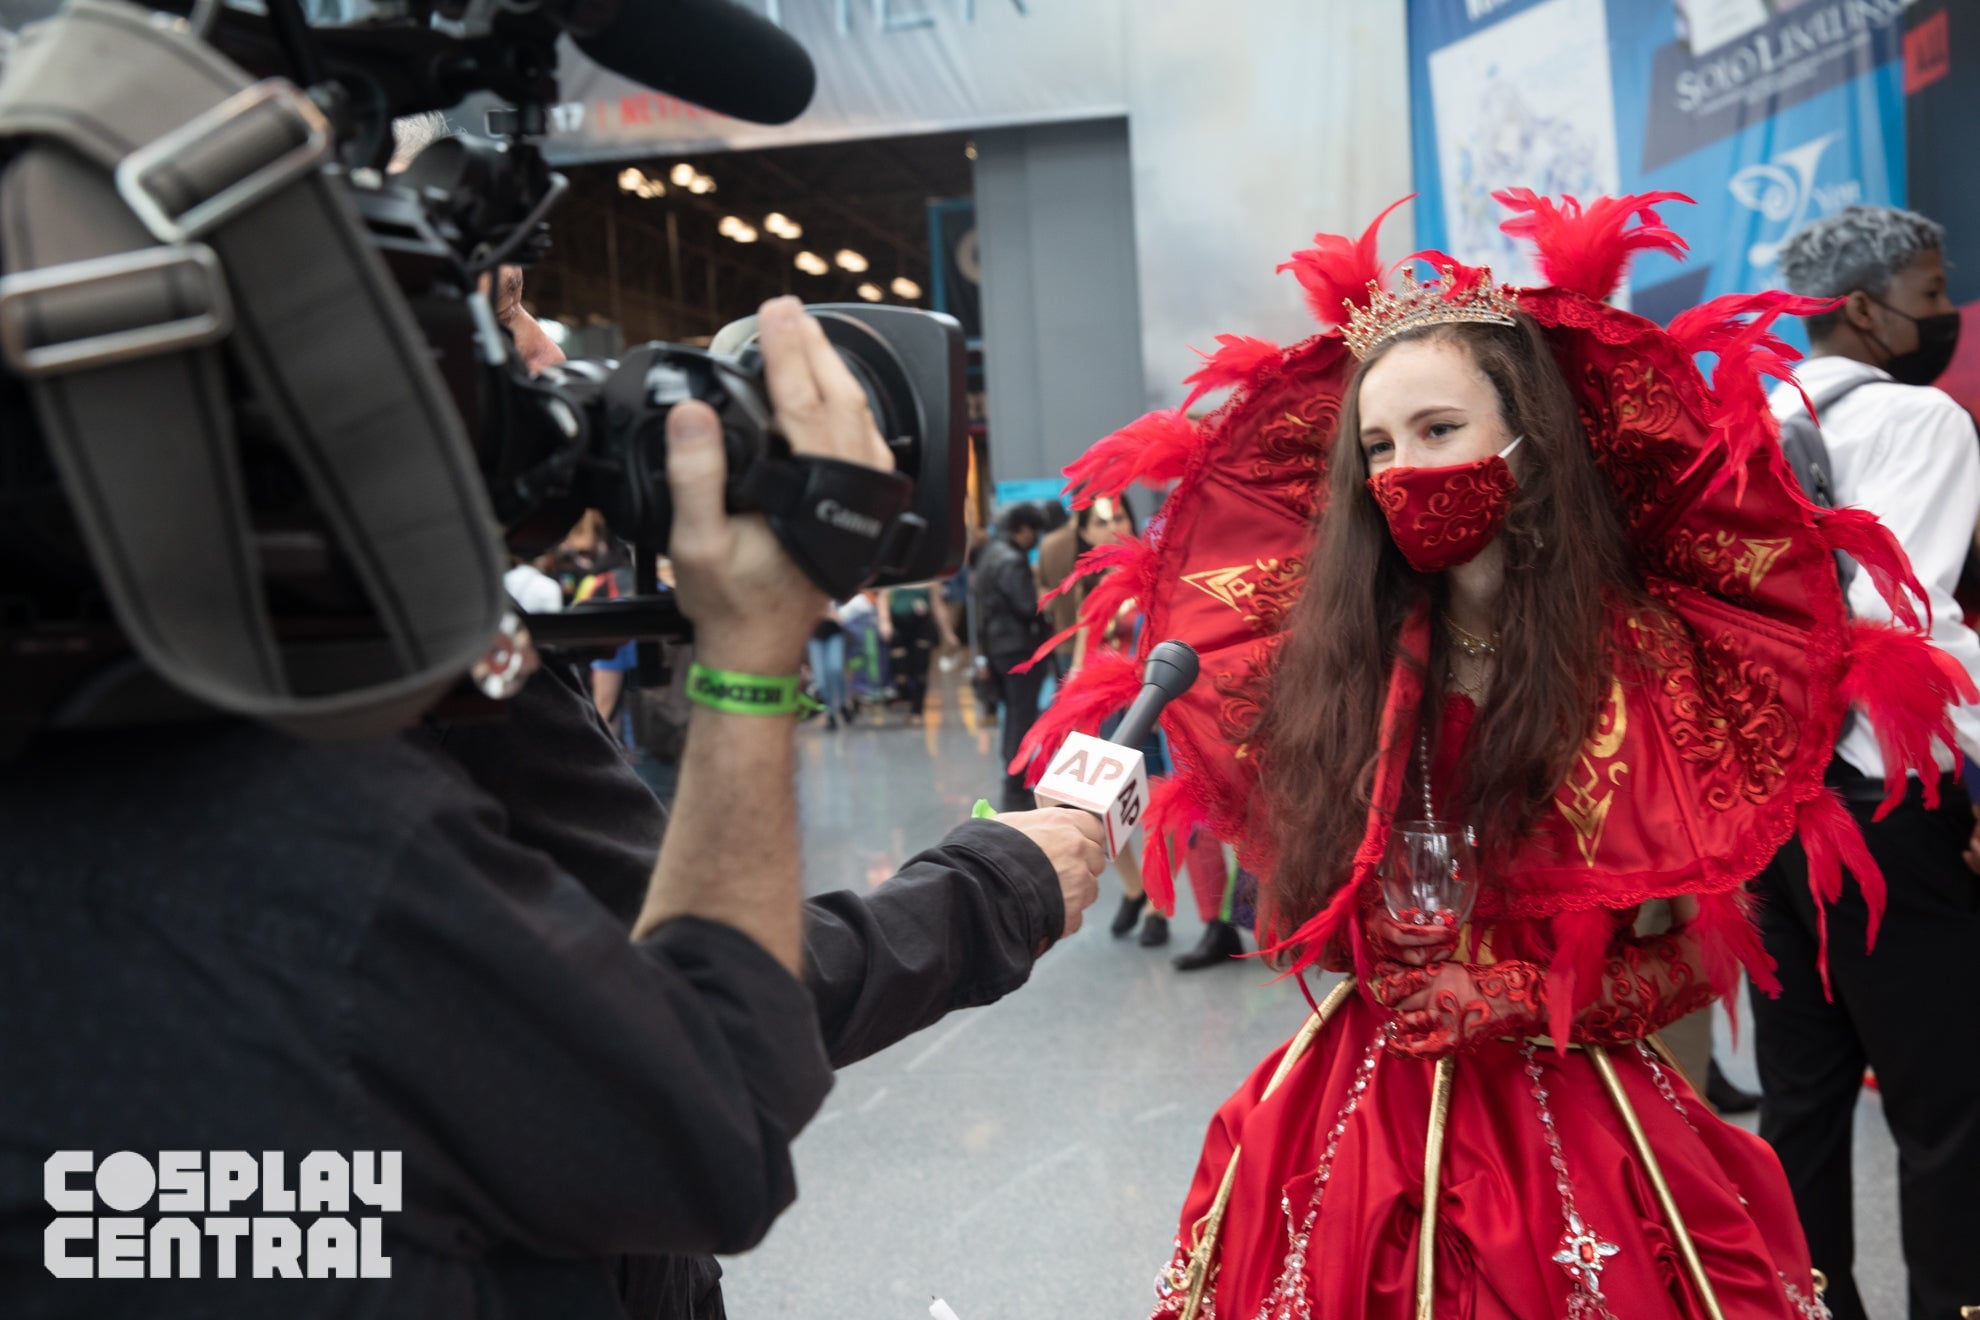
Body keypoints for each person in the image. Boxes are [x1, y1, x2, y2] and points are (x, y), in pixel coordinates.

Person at [1031, 192, 1970, 1319]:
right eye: (1378, 446)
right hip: (1360, 1115)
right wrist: (1361, 935)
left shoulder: (1643, 664)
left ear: (1530, 441)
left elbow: (1701, 959)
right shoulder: (1340, 663)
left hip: (1583, 1130)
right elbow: (1300, 912)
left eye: (1439, 430)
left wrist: (1528, 995)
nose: (1403, 470)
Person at [0, 299, 937, 1314]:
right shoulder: (323, 852)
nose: (542, 348)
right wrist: (752, 654)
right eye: (492, 302)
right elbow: (711, 1116)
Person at [1755, 205, 1980, 1320]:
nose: (1944, 314)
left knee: (1799, 1099)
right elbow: (1907, 627)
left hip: (1765, 812)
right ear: (1863, 309)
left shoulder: (1752, 422)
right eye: (1931, 293)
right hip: (1884, 805)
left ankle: (1811, 1307)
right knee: (1949, 1103)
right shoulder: (1919, 419)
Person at [973, 502, 1051, 810]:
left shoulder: (990, 554)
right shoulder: (1013, 560)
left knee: (1013, 718)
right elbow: (1027, 605)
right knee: (1022, 718)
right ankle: (1016, 785)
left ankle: (1013, 780)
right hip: (1019, 649)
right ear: (1024, 529)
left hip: (998, 648)